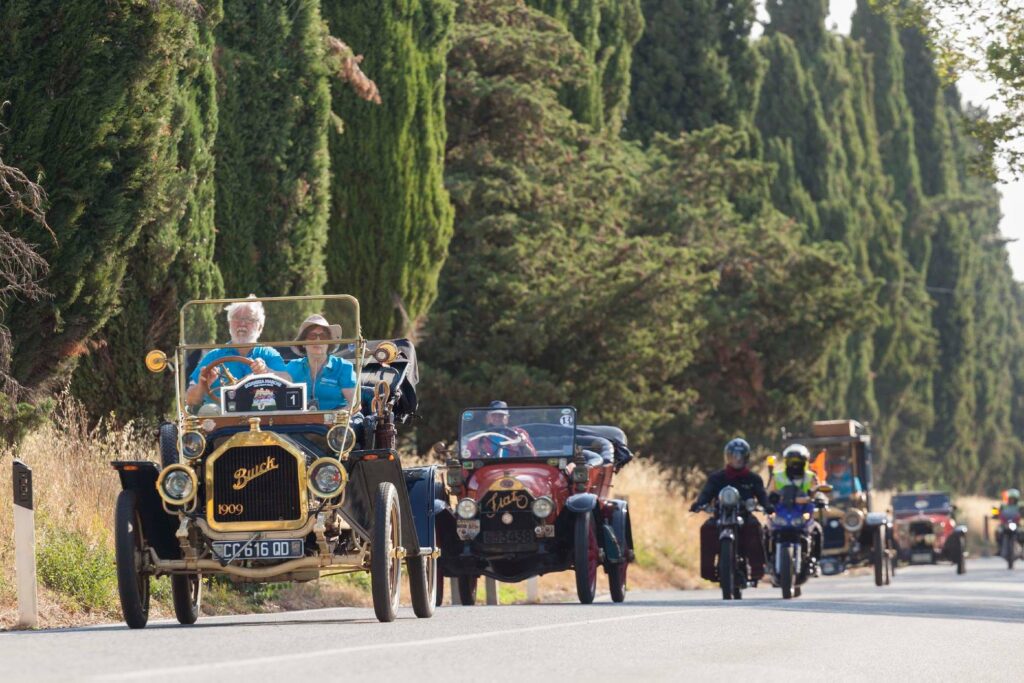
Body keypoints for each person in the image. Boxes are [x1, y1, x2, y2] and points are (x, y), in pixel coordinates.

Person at [185, 296, 290, 410]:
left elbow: (288, 381)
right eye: (236, 318)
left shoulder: (269, 354)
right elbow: (190, 400)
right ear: (229, 324)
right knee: (208, 410)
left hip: (261, 415)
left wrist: (267, 371)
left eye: (249, 319)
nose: (242, 324)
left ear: (260, 326)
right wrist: (204, 384)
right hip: (220, 421)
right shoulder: (214, 356)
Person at [690, 438, 770, 583]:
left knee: (755, 527)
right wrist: (699, 504)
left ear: (746, 457)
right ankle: (709, 571)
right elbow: (706, 493)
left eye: (740, 456)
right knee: (707, 528)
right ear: (728, 457)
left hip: (744, 516)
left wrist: (768, 505)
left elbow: (762, 495)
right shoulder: (717, 478)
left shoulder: (753, 478)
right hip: (721, 515)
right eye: (734, 456)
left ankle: (757, 570)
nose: (737, 459)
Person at [285, 314, 357, 410]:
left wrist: (330, 420)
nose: (318, 340)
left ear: (329, 343)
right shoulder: (292, 367)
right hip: (301, 422)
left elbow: (354, 405)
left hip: (337, 422)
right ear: (303, 343)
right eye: (312, 336)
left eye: (323, 336)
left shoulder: (343, 367)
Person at [769, 443, 824, 566]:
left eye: (798, 461)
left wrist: (820, 499)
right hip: (781, 512)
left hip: (802, 512)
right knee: (766, 531)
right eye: (792, 461)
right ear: (786, 462)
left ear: (805, 462)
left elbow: (817, 491)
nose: (795, 464)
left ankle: (815, 562)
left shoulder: (811, 477)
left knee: (817, 530)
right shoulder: (777, 476)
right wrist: (768, 500)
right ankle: (766, 562)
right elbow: (769, 492)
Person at [466, 400, 537, 458]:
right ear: (488, 417)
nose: (497, 418)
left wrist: (524, 445)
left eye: (501, 415)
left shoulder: (518, 433)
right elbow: (468, 462)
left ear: (507, 418)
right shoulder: (478, 439)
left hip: (515, 469)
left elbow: (533, 457)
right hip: (489, 471)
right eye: (494, 415)